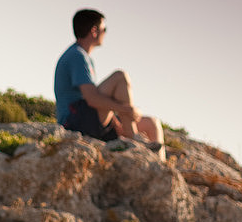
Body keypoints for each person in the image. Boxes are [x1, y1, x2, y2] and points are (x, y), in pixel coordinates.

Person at [54, 9, 165, 159]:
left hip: (89, 119)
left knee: (152, 123)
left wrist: (116, 121)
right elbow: (92, 99)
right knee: (120, 77)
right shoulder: (77, 56)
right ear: (94, 30)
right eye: (104, 29)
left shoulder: (82, 56)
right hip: (74, 123)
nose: (105, 33)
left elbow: (96, 100)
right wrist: (127, 110)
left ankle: (160, 168)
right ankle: (132, 138)